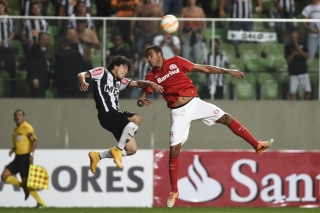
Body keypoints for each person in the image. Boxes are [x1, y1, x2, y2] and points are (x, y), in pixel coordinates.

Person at [137, 45, 274, 208]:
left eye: (151, 55)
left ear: (159, 54)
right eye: (147, 57)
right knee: (174, 150)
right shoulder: (151, 76)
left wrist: (228, 71)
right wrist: (141, 100)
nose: (149, 59)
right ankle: (174, 190)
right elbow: (143, 95)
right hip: (178, 113)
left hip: (195, 104)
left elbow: (204, 68)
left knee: (227, 118)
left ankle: (257, 145)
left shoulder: (176, 61)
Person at [77, 55, 163, 173]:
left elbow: (137, 83)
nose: (126, 71)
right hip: (107, 114)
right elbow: (81, 74)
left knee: (132, 149)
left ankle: (97, 156)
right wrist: (82, 81)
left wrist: (150, 83)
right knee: (136, 118)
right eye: (124, 68)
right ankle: (118, 149)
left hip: (114, 119)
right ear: (115, 66)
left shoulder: (120, 82)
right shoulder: (102, 72)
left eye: (127, 70)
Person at [1, 109, 46, 208]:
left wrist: (31, 154)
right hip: (17, 158)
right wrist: (13, 149)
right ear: (13, 118)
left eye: (20, 115)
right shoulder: (15, 129)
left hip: (25, 158)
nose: (18, 117)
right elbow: (20, 142)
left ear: (23, 117)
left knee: (28, 183)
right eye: (16, 115)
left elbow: (34, 141)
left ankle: (41, 203)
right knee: (4, 176)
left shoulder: (27, 127)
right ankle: (24, 187)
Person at [285, 28, 311, 100]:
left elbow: (307, 56)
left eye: (295, 33)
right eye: (293, 33)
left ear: (298, 34)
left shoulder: (303, 43)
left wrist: (299, 50)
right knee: (293, 92)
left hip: (303, 72)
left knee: (307, 91)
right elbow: (288, 60)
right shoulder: (288, 45)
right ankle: (294, 108)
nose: (294, 35)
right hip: (293, 73)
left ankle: (307, 106)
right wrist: (294, 52)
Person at [26, 32, 51, 98]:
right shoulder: (33, 49)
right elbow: (32, 64)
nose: (45, 41)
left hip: (43, 80)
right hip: (37, 81)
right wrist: (35, 79)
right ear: (38, 39)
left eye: (46, 39)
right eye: (43, 39)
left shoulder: (45, 50)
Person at [0, 0, 16, 97]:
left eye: (1, 7)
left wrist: (6, 41)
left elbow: (12, 33)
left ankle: (13, 93)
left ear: (4, 7)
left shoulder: (9, 19)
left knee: (11, 70)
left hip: (6, 47)